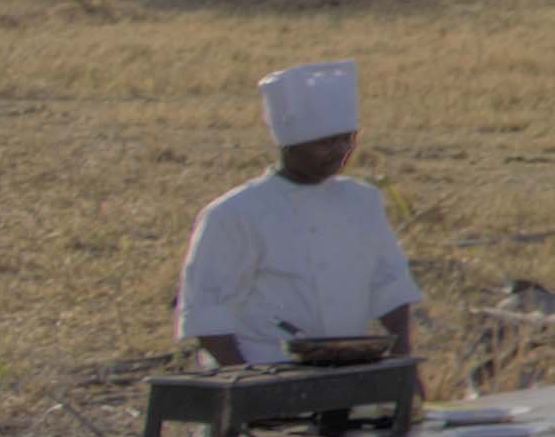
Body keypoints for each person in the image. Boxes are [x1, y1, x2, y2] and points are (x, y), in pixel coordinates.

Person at [179, 59, 421, 376]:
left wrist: (403, 365)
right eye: (325, 143)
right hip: (264, 372)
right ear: (289, 145)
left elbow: (390, 286)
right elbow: (206, 313)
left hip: (348, 373)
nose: (340, 152)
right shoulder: (235, 213)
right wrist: (248, 384)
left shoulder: (362, 201)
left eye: (347, 139)